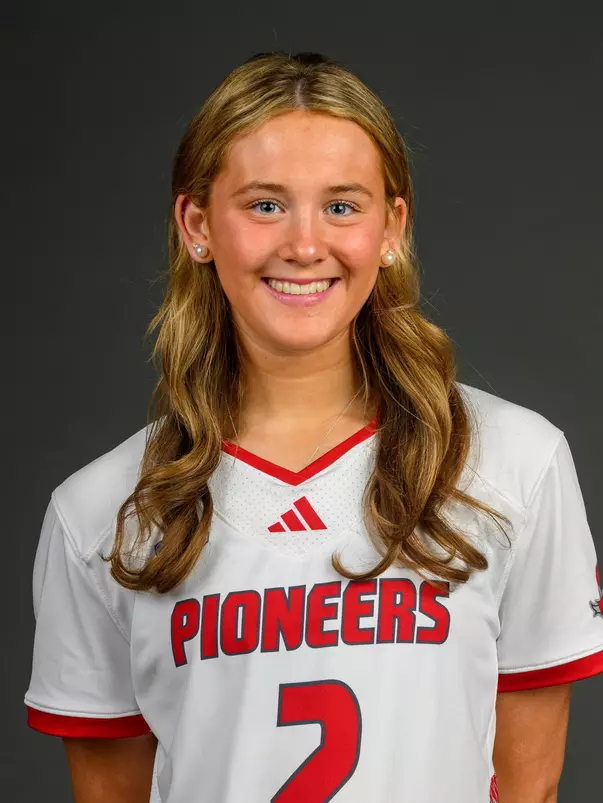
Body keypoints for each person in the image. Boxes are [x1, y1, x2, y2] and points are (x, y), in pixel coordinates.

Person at [24, 51, 603, 803]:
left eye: (341, 205)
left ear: (391, 226)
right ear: (197, 224)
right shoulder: (99, 510)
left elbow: (528, 785)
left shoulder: (515, 461)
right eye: (264, 204)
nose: (303, 245)